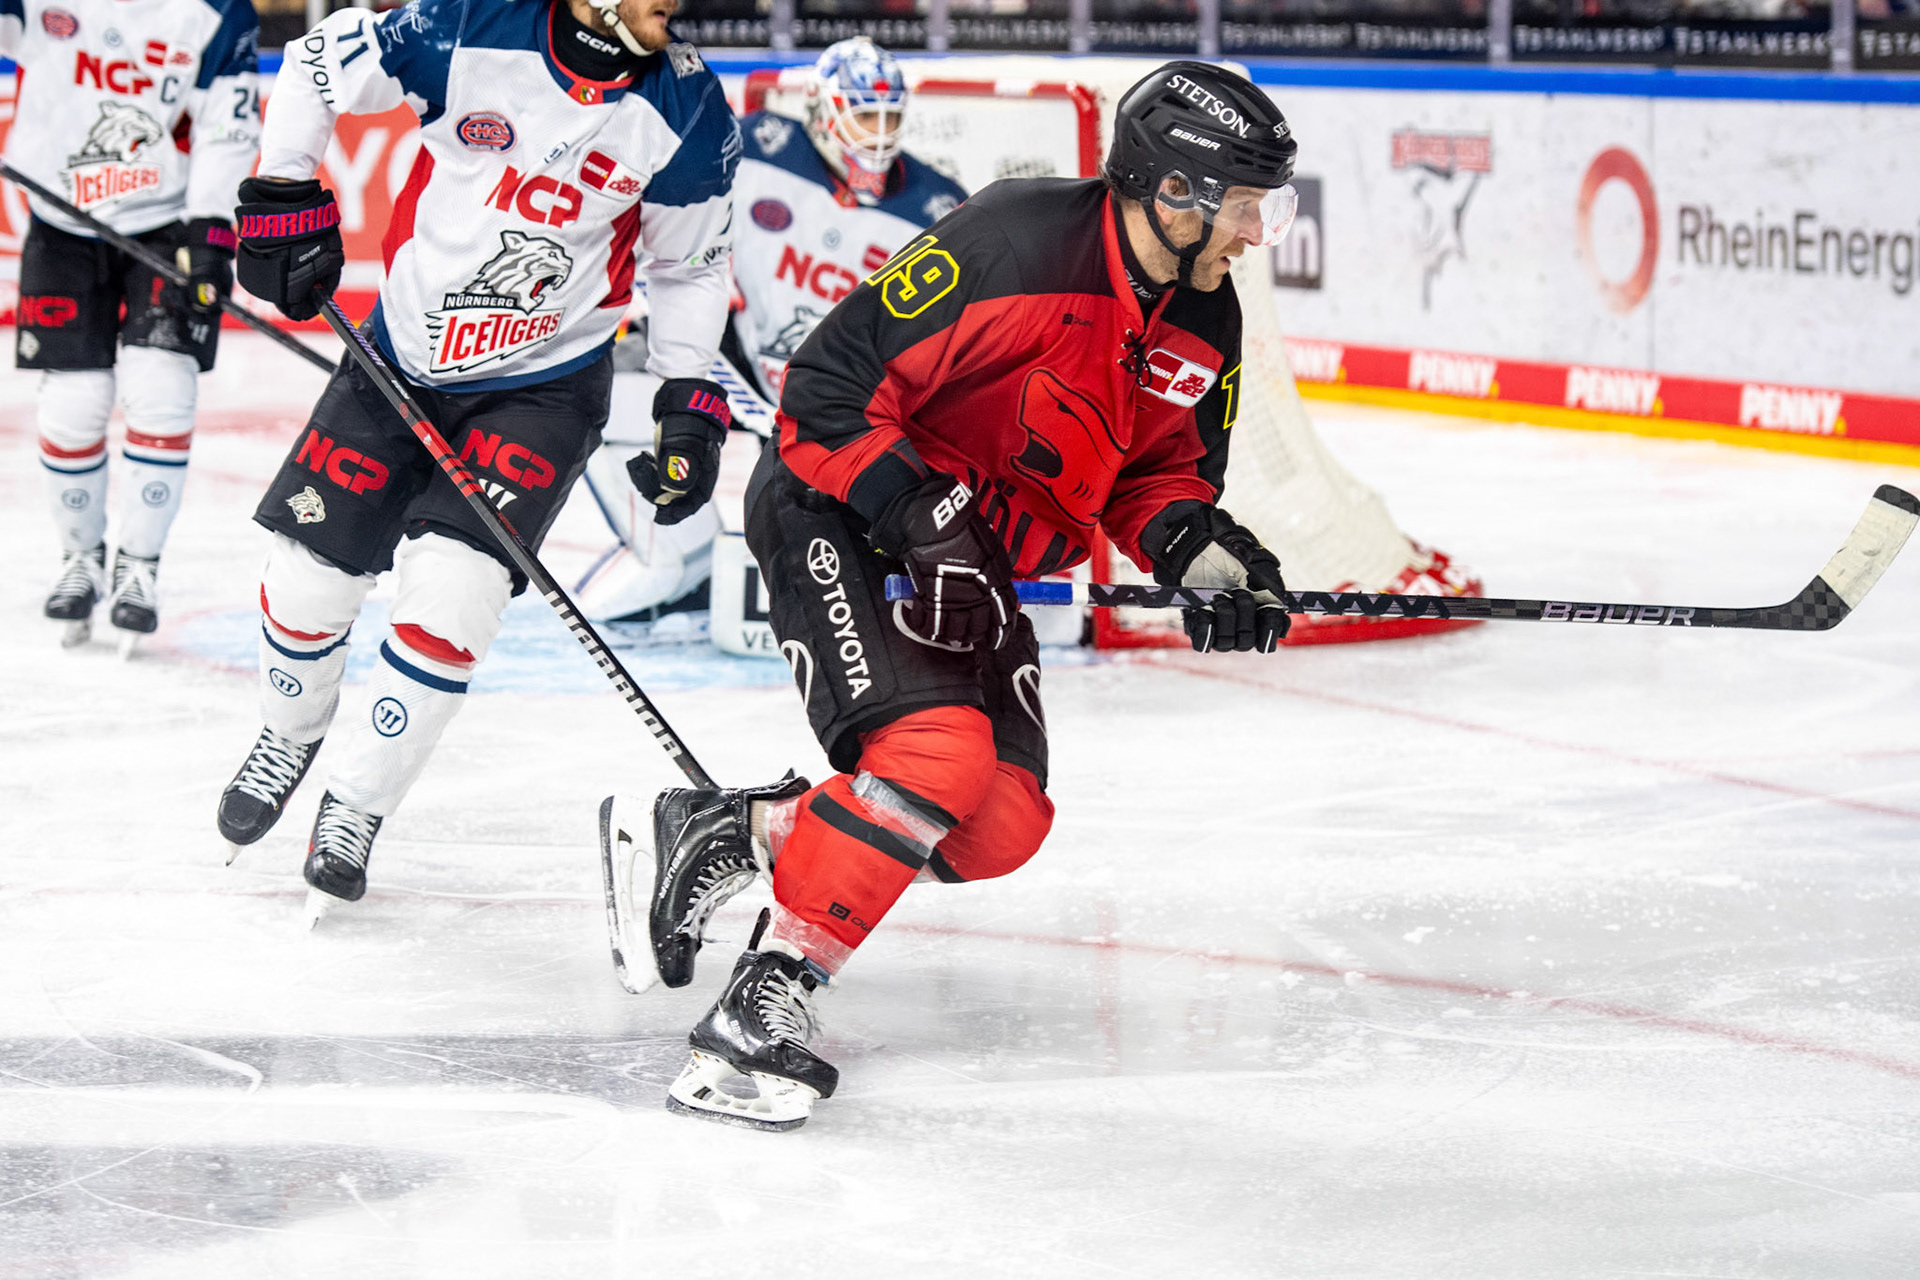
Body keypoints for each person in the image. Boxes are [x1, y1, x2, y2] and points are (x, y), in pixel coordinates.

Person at [630, 61, 1302, 1129]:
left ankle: (735, 829)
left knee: (999, 821)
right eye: (1246, 202)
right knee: (937, 756)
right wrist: (918, 517)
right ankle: (762, 1007)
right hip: (839, 504)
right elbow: (826, 391)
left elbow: (1159, 478)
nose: (1257, 231)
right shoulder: (1014, 241)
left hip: (965, 553)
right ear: (1176, 191)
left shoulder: (1206, 318)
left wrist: (1203, 561)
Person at [212, 0, 738, 918]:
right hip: (403, 351)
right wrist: (283, 192)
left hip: (543, 389)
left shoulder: (689, 108)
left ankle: (357, 804)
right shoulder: (465, 24)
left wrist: (687, 401)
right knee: (307, 584)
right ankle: (290, 733)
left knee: (453, 600)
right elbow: (314, 65)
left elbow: (689, 267)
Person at [572, 36, 965, 626]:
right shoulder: (758, 149)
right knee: (615, 374)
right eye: (864, 114)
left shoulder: (938, 208)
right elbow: (676, 238)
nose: (878, 134)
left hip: (854, 413)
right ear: (823, 111)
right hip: (749, 373)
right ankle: (680, 564)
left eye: (889, 116)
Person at [2, 0, 261, 647]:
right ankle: (80, 561)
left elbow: (227, 126)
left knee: (163, 387)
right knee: (73, 401)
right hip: (62, 220)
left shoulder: (217, 11)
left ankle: (138, 568)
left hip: (167, 220)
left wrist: (210, 233)